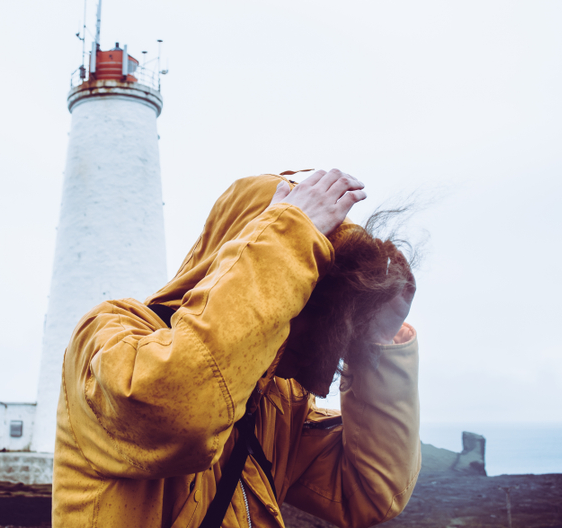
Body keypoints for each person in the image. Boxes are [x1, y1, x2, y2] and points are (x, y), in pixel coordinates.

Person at [52, 169, 420, 528]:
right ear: (243, 249)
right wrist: (287, 235)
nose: (322, 316)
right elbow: (181, 413)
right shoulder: (110, 334)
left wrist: (376, 338)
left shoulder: (277, 397)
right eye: (304, 267)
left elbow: (369, 492)